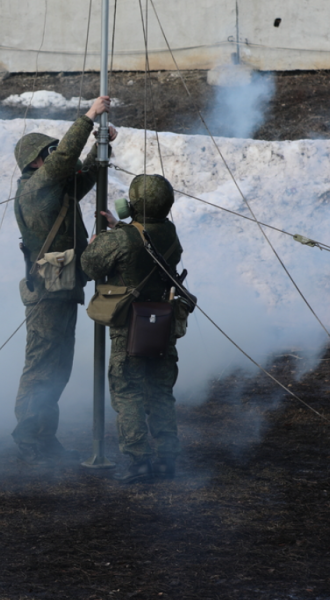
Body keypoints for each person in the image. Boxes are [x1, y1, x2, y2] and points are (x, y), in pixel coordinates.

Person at [12, 96, 118, 464]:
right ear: (35, 162)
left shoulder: (53, 188)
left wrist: (99, 152)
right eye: (50, 152)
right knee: (42, 367)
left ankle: (43, 437)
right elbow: (62, 163)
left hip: (63, 288)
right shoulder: (34, 189)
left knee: (57, 369)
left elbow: (81, 179)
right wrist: (89, 118)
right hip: (47, 293)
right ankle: (30, 439)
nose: (56, 155)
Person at [80, 174, 184, 483]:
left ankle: (139, 462)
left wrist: (99, 241)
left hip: (130, 326)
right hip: (162, 322)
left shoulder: (121, 239)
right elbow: (142, 239)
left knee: (128, 393)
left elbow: (90, 265)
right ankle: (167, 460)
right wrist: (120, 228)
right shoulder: (169, 232)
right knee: (161, 392)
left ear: (133, 205)